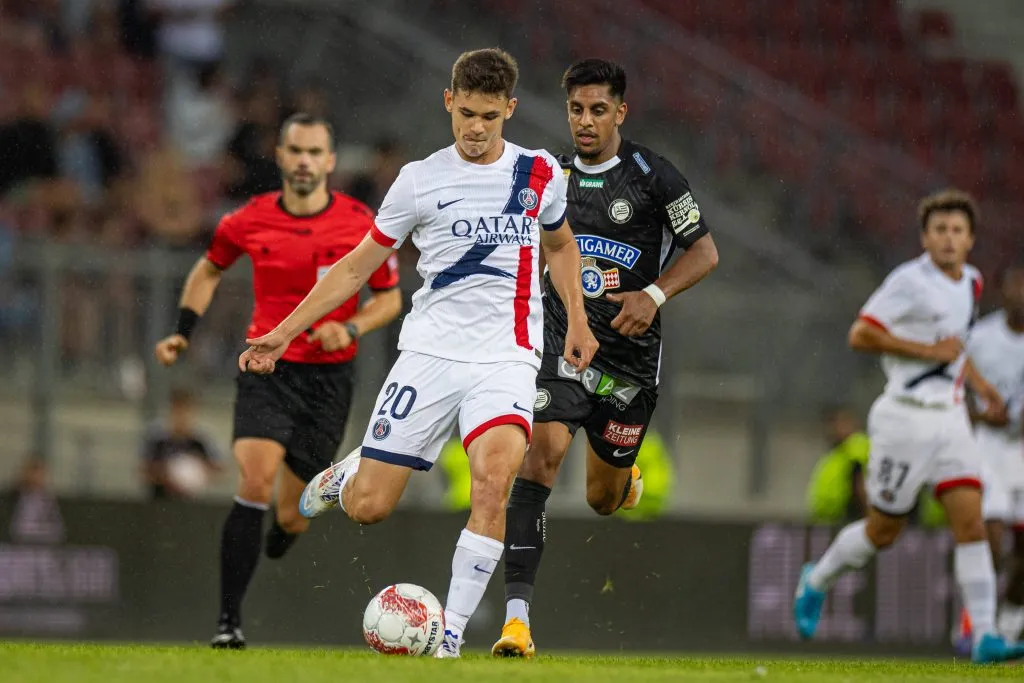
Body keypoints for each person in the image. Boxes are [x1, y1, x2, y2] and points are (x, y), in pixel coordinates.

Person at [240, 48, 597, 659]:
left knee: (493, 483)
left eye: (489, 115)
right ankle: (349, 470)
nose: (476, 128)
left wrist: (579, 320)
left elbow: (561, 247)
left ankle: (451, 639)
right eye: (466, 113)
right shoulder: (419, 179)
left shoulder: (540, 173)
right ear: (448, 103)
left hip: (507, 357)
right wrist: (284, 330)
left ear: (509, 108)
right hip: (428, 355)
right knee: (369, 508)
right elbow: (356, 268)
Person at [492, 58, 718, 658]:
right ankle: (516, 620)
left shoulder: (653, 176)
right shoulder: (548, 174)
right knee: (541, 457)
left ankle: (624, 476)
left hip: (630, 359)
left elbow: (705, 253)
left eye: (598, 110)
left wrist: (653, 293)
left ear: (621, 111)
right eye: (575, 110)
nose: (585, 122)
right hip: (562, 342)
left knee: (601, 500)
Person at [153, 113, 402, 649]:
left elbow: (390, 298)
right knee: (254, 481)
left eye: (316, 152)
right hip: (267, 369)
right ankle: (228, 623)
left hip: (329, 381)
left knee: (292, 512)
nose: (306, 161)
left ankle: (286, 529)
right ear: (281, 157)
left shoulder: (361, 222)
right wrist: (182, 333)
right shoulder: (250, 219)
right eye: (296, 151)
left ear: (331, 161)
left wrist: (352, 325)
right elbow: (208, 269)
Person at [792, 189, 1024, 664]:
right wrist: (925, 352)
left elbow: (954, 349)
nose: (948, 239)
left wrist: (981, 387)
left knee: (971, 523)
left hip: (952, 418)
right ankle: (817, 579)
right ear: (925, 237)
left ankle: (983, 634)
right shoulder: (909, 281)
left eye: (958, 231)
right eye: (939, 230)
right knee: (883, 531)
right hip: (904, 418)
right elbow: (861, 334)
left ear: (971, 239)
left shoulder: (973, 283)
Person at [959, 265, 1024, 645]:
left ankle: (1010, 622)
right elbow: (954, 389)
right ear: (1002, 293)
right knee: (991, 539)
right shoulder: (981, 339)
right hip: (987, 445)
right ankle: (975, 619)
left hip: (1020, 449)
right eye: (1015, 285)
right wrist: (982, 414)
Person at [140, 387, 223, 499]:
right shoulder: (157, 439)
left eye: (185, 411)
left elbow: (218, 469)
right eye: (177, 411)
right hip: (160, 501)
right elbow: (144, 470)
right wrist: (169, 474)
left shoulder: (200, 441)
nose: (181, 417)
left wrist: (198, 470)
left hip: (192, 502)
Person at [806, 407, 870, 525]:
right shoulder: (837, 453)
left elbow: (860, 488)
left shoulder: (856, 450)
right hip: (831, 523)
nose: (833, 429)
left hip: (850, 521)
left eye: (839, 423)